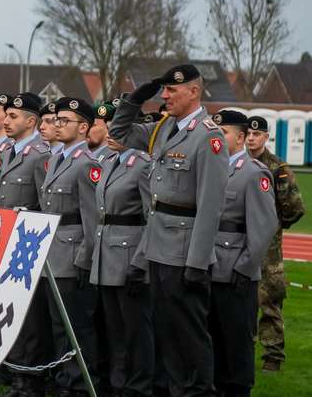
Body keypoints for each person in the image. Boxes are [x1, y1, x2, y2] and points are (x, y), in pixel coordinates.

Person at [108, 64, 229, 396]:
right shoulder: (165, 128)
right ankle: (178, 389)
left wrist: (198, 262)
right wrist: (133, 102)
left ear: (193, 91)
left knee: (189, 334)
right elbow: (118, 135)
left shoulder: (209, 137)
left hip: (185, 250)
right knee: (167, 332)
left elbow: (210, 206)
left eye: (171, 90)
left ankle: (198, 391)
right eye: (163, 90)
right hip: (159, 246)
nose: (165, 96)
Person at [207, 110, 277, 396]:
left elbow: (263, 227)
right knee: (211, 347)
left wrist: (244, 269)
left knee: (236, 348)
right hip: (208, 269)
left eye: (222, 133)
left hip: (235, 274)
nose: (217, 139)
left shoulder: (253, 174)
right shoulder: (211, 170)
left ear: (241, 136)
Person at [89, 101, 154, 397]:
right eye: (110, 125)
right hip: (107, 254)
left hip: (130, 255)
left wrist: (141, 260)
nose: (112, 131)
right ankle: (118, 385)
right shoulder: (108, 161)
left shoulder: (143, 165)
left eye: (119, 125)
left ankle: (138, 386)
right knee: (114, 329)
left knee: (136, 330)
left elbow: (151, 216)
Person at [39, 96, 101, 396]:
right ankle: (64, 378)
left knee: (76, 325)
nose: (56, 125)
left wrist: (84, 258)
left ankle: (78, 384)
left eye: (64, 121)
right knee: (58, 324)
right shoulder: (58, 159)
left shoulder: (87, 165)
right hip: (53, 253)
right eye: (55, 120)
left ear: (83, 127)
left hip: (73, 251)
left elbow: (91, 219)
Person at [0, 93, 54, 396]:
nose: (7, 121)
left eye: (14, 117)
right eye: (6, 116)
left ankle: (30, 377)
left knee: (30, 315)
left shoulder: (39, 154)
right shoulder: (8, 151)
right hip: (8, 239)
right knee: (10, 311)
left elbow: (45, 204)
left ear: (31, 121)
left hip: (29, 243)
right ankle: (16, 369)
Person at [246, 115, 305, 372]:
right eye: (248, 133)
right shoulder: (233, 163)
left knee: (269, 299)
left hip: (268, 245)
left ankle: (273, 356)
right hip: (238, 238)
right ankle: (241, 351)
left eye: (257, 134)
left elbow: (294, 207)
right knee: (237, 298)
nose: (251, 138)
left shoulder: (277, 168)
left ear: (266, 137)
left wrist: (274, 226)